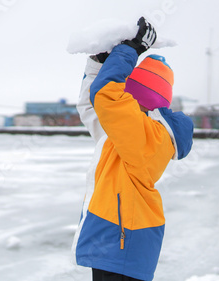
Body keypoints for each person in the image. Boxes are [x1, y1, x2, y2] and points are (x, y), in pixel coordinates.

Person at [71, 17, 194, 281]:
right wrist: (98, 64)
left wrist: (131, 51)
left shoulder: (145, 136)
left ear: (134, 97)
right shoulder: (124, 136)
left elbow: (105, 95)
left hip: (123, 242)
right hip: (116, 240)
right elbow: (91, 106)